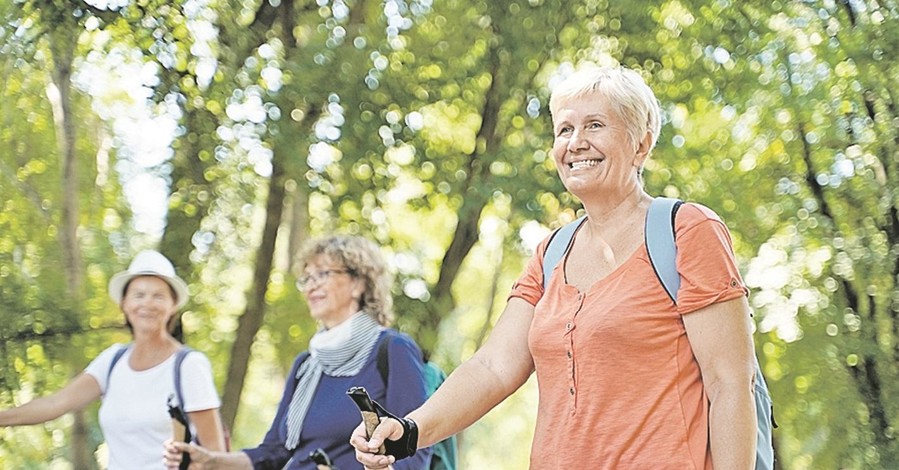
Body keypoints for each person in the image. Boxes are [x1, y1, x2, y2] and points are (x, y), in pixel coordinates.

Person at [350, 65, 758, 469]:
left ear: (641, 145)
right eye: (564, 130)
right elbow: (494, 367)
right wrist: (409, 431)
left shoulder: (687, 230)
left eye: (595, 125)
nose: (576, 143)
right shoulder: (551, 252)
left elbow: (730, 384)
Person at [164, 235, 433, 469]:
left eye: (323, 274)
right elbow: (274, 453)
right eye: (306, 278)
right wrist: (211, 461)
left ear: (358, 283)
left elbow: (415, 447)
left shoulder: (393, 350)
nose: (311, 285)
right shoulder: (307, 365)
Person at [0, 249, 227, 469]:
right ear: (125, 304)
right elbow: (55, 404)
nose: (147, 303)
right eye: (139, 295)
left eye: (158, 296)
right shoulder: (112, 361)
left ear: (173, 306)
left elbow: (216, 455)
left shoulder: (189, 365)